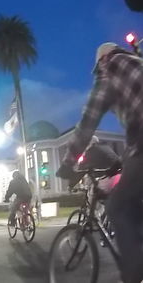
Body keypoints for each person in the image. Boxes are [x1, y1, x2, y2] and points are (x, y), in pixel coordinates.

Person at [56, 42, 143, 283]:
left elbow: (87, 122)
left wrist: (67, 163)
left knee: (118, 207)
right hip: (128, 160)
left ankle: (134, 274)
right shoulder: (136, 61)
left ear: (102, 60)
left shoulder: (110, 69)